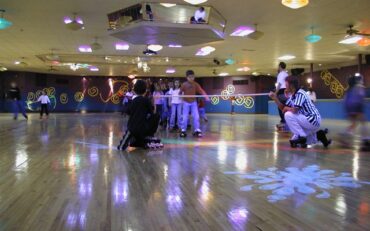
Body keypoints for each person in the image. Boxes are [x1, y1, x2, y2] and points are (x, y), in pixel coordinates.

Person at [269, 75, 331, 148]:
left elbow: (295, 110)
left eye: (286, 85)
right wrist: (275, 98)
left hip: (312, 119)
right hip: (307, 120)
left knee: (288, 115)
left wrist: (286, 108)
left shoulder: (300, 93)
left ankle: (302, 136)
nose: (285, 87)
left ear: (291, 86)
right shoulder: (293, 96)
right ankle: (320, 135)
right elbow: (283, 109)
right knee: (299, 141)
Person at [117, 79, 161, 151]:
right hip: (143, 129)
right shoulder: (146, 101)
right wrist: (154, 103)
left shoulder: (133, 101)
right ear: (145, 90)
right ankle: (148, 137)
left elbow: (127, 111)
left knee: (121, 147)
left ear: (135, 90)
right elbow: (153, 112)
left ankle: (133, 142)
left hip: (132, 128)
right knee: (156, 116)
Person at [342, 75, 369, 151]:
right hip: (356, 106)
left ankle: (344, 136)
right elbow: (361, 96)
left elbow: (345, 100)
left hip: (349, 108)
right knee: (363, 122)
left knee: (354, 124)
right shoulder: (358, 88)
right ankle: (365, 140)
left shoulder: (349, 90)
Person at [179, 70, 209, 137]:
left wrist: (206, 97)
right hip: (186, 102)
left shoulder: (196, 84)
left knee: (196, 116)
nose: (191, 78)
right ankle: (183, 130)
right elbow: (180, 92)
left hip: (193, 102)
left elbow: (201, 91)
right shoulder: (184, 84)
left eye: (193, 77)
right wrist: (181, 96)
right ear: (187, 77)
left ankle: (197, 130)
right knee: (185, 117)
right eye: (190, 77)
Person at [275, 62, 289, 129]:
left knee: (280, 107)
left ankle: (283, 122)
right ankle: (286, 121)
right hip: (287, 92)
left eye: (278, 66)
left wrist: (275, 93)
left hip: (281, 92)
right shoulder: (286, 74)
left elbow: (279, 84)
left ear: (280, 66)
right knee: (285, 106)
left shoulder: (281, 74)